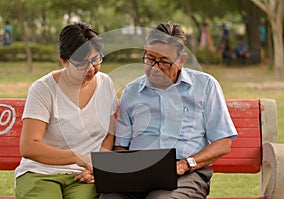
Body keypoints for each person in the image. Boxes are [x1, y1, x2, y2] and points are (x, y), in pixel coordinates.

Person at [101, 21, 237, 199]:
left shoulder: (205, 86)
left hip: (186, 173)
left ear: (181, 60)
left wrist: (185, 164)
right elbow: (121, 145)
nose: (155, 68)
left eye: (165, 62)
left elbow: (223, 142)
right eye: (150, 59)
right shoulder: (132, 91)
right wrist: (126, 171)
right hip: (137, 173)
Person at [14, 22, 118, 199]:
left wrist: (98, 168)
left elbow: (109, 133)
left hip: (83, 176)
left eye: (95, 60)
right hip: (41, 173)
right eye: (82, 63)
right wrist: (75, 157)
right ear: (64, 61)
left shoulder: (105, 83)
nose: (91, 69)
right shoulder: (43, 89)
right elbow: (29, 146)